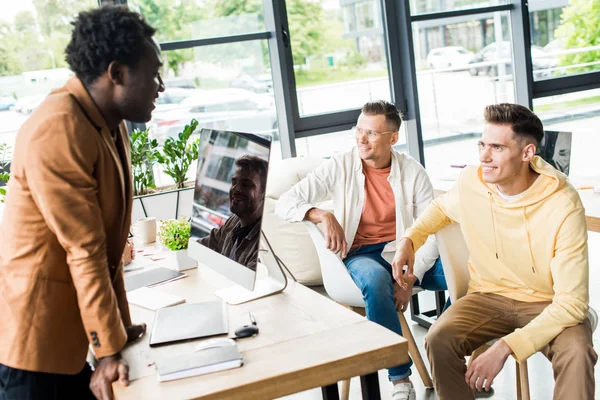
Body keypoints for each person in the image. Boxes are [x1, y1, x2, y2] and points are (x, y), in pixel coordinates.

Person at [0, 5, 164, 400]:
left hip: (73, 338)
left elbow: (108, 250)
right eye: (153, 73)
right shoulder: (58, 128)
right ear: (117, 74)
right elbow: (85, 249)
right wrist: (107, 351)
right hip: (36, 346)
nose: (160, 86)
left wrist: (119, 330)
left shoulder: (110, 123)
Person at [393, 103, 597, 400]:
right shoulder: (471, 182)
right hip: (487, 295)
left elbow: (573, 304)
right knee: (439, 338)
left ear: (527, 153)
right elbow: (440, 209)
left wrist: (505, 347)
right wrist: (410, 240)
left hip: (546, 301)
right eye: (482, 145)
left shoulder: (563, 204)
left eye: (497, 148)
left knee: (577, 351)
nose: (484, 157)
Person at [276, 100, 447, 400]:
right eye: (359, 130)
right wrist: (322, 214)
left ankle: (447, 354)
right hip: (362, 254)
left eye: (371, 132)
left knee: (467, 273)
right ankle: (400, 379)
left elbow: (430, 233)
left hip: (407, 254)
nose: (361, 138)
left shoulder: (413, 172)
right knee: (375, 282)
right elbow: (285, 202)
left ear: (393, 138)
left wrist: (410, 277)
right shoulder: (340, 164)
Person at [200, 155, 268, 271]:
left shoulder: (265, 241)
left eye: (246, 185)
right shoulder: (234, 221)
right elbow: (205, 244)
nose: (236, 189)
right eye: (234, 182)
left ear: (264, 193)